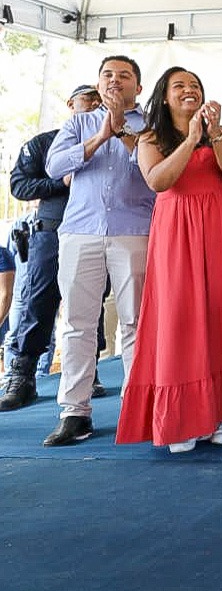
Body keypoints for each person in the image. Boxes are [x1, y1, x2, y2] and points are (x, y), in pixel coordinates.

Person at [115, 67, 222, 452]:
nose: (189, 91)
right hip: (176, 232)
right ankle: (184, 416)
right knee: (179, 319)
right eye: (179, 86)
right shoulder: (151, 137)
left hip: (221, 229)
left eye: (195, 85)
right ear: (165, 96)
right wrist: (191, 140)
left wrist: (213, 134)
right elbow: (158, 181)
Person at [42, 56, 156, 446]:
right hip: (80, 232)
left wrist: (127, 138)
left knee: (135, 322)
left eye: (124, 76)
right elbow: (54, 166)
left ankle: (136, 405)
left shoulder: (150, 127)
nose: (115, 81)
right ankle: (75, 412)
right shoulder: (78, 123)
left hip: (134, 232)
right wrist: (100, 137)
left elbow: (156, 177)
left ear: (138, 88)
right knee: (76, 322)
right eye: (108, 75)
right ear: (98, 83)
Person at [0, 85, 97, 410]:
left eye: (98, 99)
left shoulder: (110, 142)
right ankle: (23, 375)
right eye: (87, 98)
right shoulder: (45, 143)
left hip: (94, 233)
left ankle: (89, 371)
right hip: (51, 233)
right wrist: (60, 183)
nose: (94, 103)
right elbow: (19, 185)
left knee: (89, 304)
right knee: (39, 302)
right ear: (71, 104)